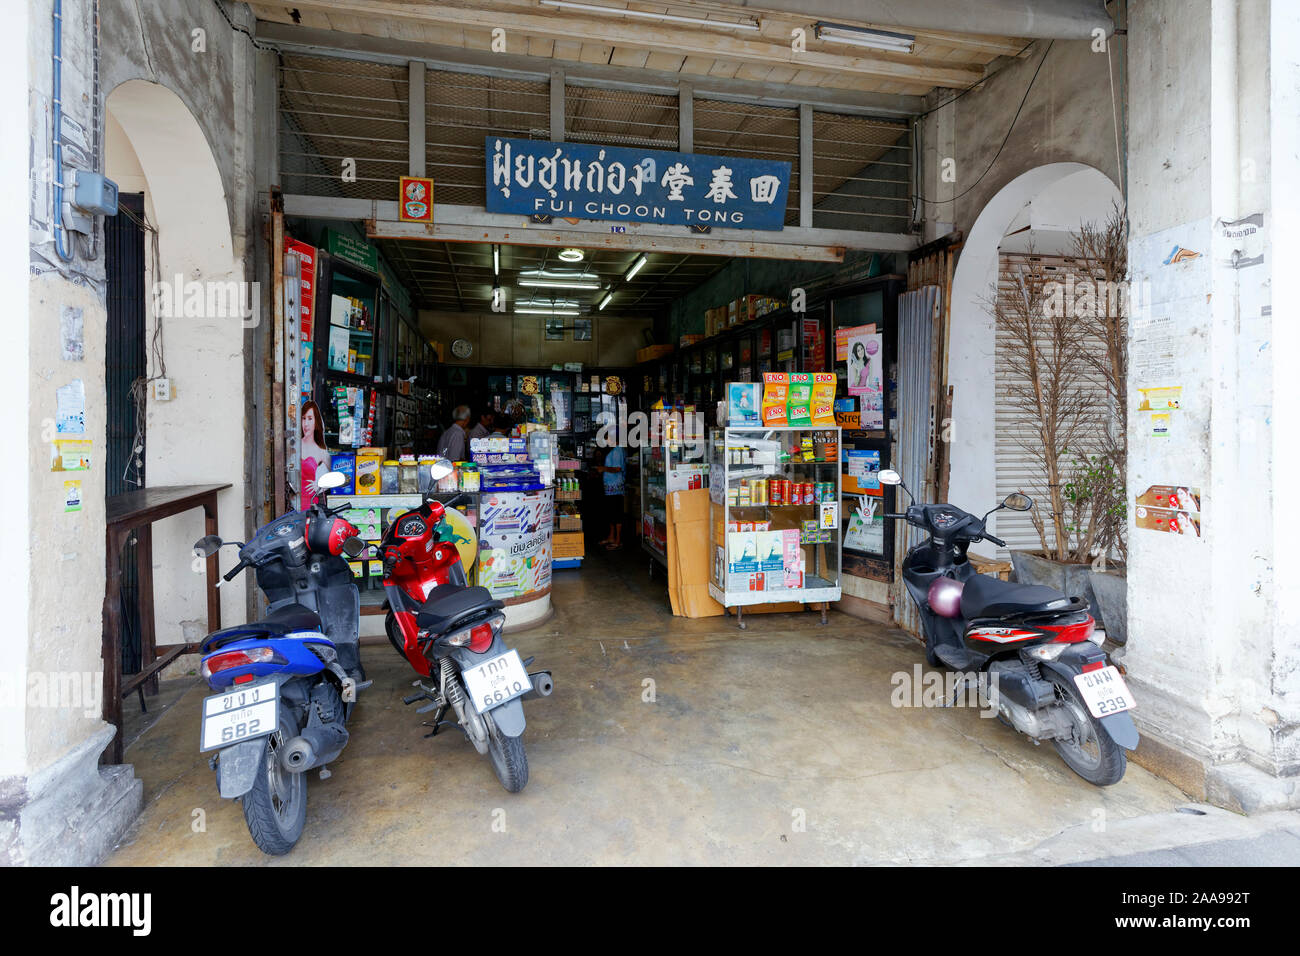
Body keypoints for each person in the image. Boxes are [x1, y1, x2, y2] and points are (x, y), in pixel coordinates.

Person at [300, 401, 331, 509]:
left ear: (316, 421)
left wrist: (320, 485)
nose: (306, 424)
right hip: (292, 503)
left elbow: (337, 474)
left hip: (311, 504)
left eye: (310, 418)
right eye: (303, 418)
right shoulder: (294, 446)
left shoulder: (320, 451)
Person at [596, 444, 626, 551]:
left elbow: (618, 468)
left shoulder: (618, 449)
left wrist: (603, 468)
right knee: (611, 513)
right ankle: (611, 537)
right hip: (609, 488)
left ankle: (618, 540)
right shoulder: (612, 449)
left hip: (616, 487)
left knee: (617, 513)